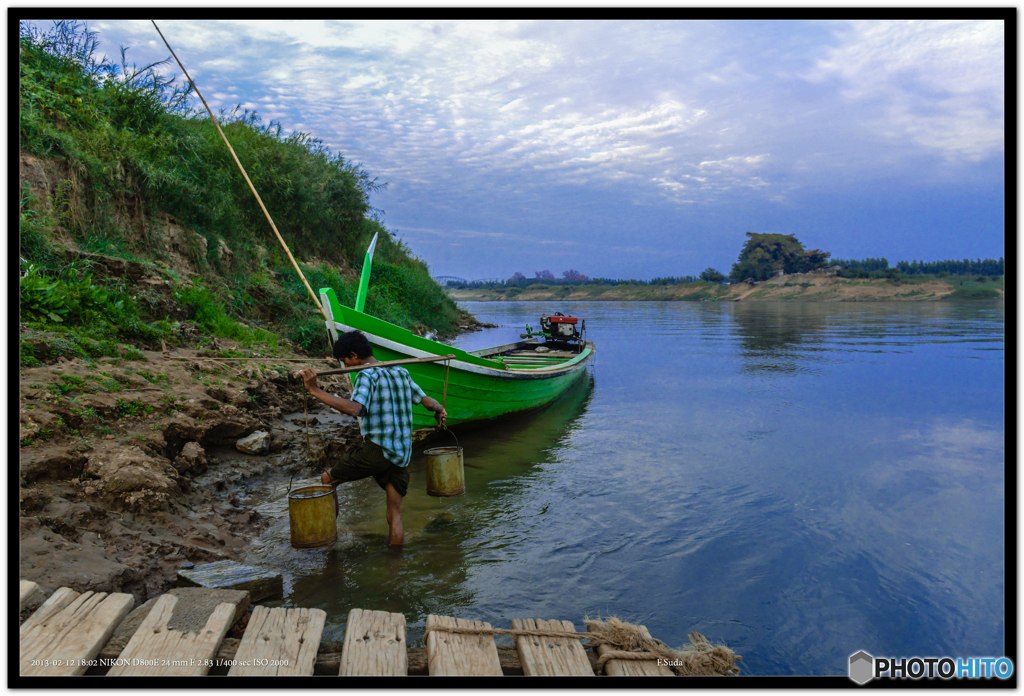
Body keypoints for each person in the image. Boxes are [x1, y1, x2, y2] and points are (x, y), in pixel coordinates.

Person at [298, 330, 446, 546]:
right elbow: (428, 402)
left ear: (353, 355)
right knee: (394, 515)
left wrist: (314, 390)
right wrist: (439, 409)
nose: (346, 367)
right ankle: (395, 572)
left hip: (378, 451)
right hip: (401, 454)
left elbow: (356, 409)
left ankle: (327, 539)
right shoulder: (400, 372)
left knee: (327, 480)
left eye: (345, 362)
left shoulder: (367, 375)